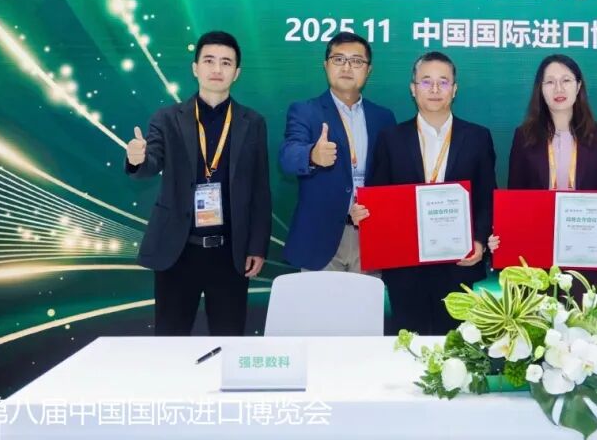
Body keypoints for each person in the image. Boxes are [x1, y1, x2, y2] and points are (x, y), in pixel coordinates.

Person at [125, 31, 271, 335]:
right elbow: (151, 163)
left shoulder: (253, 122)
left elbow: (260, 189)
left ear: (237, 72)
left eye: (226, 63)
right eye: (209, 61)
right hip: (178, 250)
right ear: (195, 68)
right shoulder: (167, 118)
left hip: (230, 253)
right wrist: (137, 159)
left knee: (229, 341)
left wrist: (257, 246)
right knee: (170, 340)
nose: (217, 69)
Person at [367, 51, 496, 335]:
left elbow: (487, 197)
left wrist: (479, 241)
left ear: (454, 89)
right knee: (408, 346)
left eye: (443, 82)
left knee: (455, 346)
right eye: (426, 81)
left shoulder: (477, 137)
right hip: (405, 266)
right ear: (413, 89)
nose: (435, 89)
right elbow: (378, 197)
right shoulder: (391, 138)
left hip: (458, 262)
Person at [487, 55, 597, 299]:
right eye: (550, 82)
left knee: (579, 319)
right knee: (539, 319)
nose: (558, 89)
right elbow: (516, 197)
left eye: (566, 80)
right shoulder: (524, 136)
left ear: (578, 86)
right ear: (541, 89)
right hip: (535, 251)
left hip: (584, 250)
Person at [280, 32, 396, 273]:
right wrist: (312, 155)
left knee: (365, 299)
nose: (347, 67)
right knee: (320, 300)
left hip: (369, 235)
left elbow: (390, 175)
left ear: (368, 70)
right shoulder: (305, 111)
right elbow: (288, 156)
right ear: (326, 65)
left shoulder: (383, 117)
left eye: (356, 61)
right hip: (319, 238)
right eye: (339, 59)